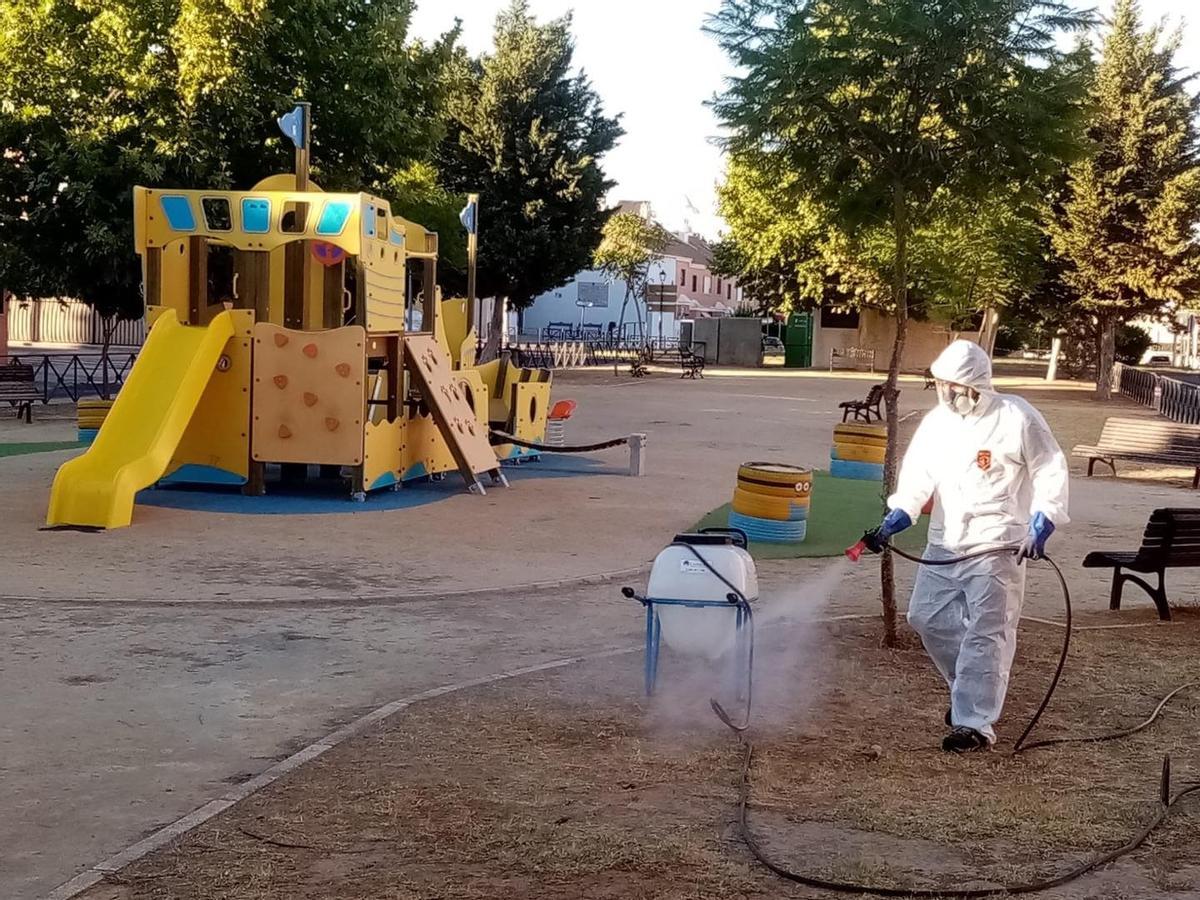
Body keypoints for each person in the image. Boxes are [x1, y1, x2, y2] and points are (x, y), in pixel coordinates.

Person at [862, 339, 1069, 753]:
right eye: (940, 385)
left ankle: (974, 724)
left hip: (997, 546)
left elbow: (1050, 470)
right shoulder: (938, 424)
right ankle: (969, 693)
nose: (947, 394)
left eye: (954, 386)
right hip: (945, 541)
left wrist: (1043, 521)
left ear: (977, 385)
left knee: (987, 634)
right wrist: (895, 518)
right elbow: (917, 478)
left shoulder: (1016, 417)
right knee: (926, 618)